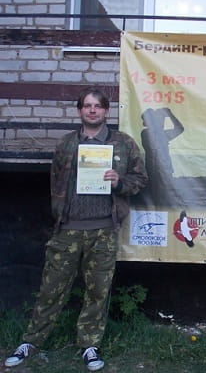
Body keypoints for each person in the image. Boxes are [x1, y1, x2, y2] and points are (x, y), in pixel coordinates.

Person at [4, 87, 148, 371]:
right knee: (51, 288)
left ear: (106, 111)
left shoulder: (123, 144)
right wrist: (60, 213)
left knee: (97, 292)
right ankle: (31, 341)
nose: (92, 110)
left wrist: (119, 182)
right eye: (87, 106)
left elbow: (141, 180)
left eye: (97, 106)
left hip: (104, 230)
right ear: (79, 110)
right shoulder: (67, 144)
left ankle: (89, 345)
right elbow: (56, 182)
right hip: (67, 230)